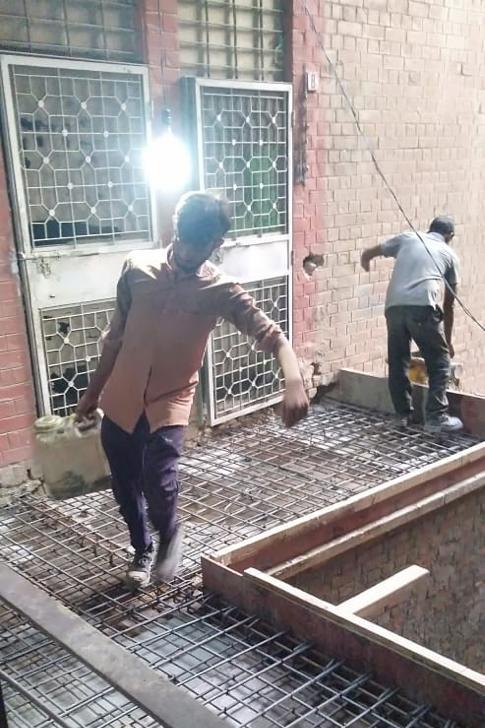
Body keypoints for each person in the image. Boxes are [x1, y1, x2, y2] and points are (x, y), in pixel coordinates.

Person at [76, 191, 309, 589]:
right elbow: (114, 339)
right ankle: (141, 549)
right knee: (124, 483)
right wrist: (92, 393)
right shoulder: (137, 269)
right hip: (122, 395)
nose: (186, 252)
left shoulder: (221, 290)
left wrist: (293, 381)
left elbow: (273, 335)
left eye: (198, 245)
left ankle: (169, 531)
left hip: (170, 399)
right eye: (182, 240)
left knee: (158, 476)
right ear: (175, 228)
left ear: (216, 243)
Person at [360, 216, 463, 432]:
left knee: (398, 361)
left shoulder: (409, 238)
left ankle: (401, 416)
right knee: (440, 362)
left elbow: (371, 252)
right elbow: (449, 304)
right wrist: (447, 341)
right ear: (450, 236)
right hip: (422, 307)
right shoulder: (449, 254)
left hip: (393, 307)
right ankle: (436, 418)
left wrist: (365, 260)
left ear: (430, 228)